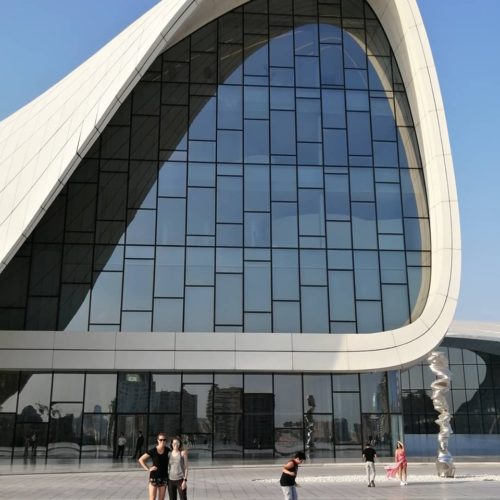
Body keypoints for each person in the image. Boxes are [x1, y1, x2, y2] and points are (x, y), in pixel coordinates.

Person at [139, 432, 171, 500]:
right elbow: (141, 460)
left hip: (164, 477)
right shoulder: (153, 451)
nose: (162, 441)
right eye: (161, 440)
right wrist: (148, 469)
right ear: (157, 440)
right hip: (154, 477)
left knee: (161, 499)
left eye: (164, 440)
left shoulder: (168, 450)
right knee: (152, 498)